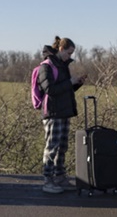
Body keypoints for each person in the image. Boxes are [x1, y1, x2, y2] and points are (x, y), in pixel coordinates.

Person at [36, 36, 87, 194]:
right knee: (51, 147)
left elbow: (64, 90)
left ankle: (60, 177)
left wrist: (76, 83)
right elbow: (50, 90)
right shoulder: (46, 66)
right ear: (61, 49)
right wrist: (70, 82)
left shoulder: (62, 66)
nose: (70, 56)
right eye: (69, 53)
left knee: (62, 147)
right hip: (53, 112)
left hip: (64, 112)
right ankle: (48, 180)